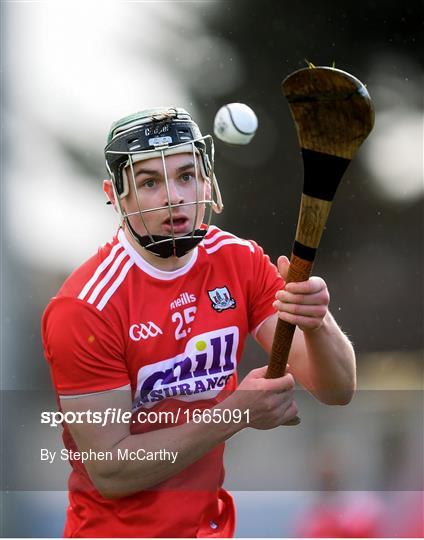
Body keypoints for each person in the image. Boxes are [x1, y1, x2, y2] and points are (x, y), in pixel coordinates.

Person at [42, 107, 356, 538]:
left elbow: (337, 389)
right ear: (116, 197)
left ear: (207, 183)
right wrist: (236, 412)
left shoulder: (238, 260)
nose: (174, 196)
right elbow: (112, 472)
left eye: (186, 175)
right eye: (150, 182)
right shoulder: (85, 308)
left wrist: (317, 322)